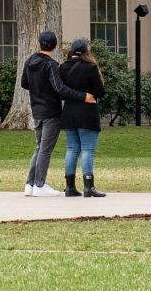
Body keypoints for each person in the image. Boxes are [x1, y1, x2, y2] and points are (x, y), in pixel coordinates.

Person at [22, 29, 96, 196]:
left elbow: (25, 83)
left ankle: (30, 184)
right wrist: (84, 96)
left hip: (36, 110)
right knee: (45, 149)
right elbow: (59, 88)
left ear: (38, 43)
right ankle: (39, 184)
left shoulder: (29, 61)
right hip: (51, 111)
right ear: (54, 46)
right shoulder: (51, 65)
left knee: (39, 147)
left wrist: (38, 89)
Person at [58, 38, 106, 198]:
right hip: (87, 112)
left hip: (69, 112)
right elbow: (99, 92)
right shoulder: (91, 67)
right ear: (86, 51)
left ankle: (70, 186)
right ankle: (88, 186)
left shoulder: (63, 67)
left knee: (72, 149)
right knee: (88, 149)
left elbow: (61, 90)